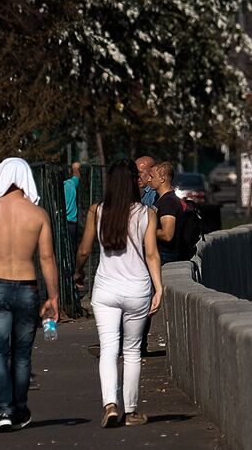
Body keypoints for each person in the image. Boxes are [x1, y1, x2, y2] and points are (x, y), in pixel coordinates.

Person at [0, 157, 59, 434]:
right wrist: (53, 298)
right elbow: (47, 258)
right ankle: (19, 407)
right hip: (28, 288)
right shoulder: (38, 214)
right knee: (21, 355)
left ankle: (3, 410)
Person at [75, 159, 163, 428]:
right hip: (137, 289)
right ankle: (132, 411)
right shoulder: (147, 214)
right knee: (133, 351)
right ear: (134, 182)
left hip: (106, 290)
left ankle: (110, 404)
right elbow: (151, 253)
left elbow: (84, 250)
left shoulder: (97, 211)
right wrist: (158, 287)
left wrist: (78, 272)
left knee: (109, 349)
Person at [151, 160, 185, 263]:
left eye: (152, 176)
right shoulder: (162, 200)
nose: (149, 179)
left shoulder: (168, 202)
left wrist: (146, 232)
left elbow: (167, 234)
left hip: (166, 256)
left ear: (162, 179)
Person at [64, 161, 82, 251]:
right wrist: (75, 168)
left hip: (59, 224)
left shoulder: (52, 189)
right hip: (71, 224)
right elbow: (77, 177)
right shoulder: (69, 184)